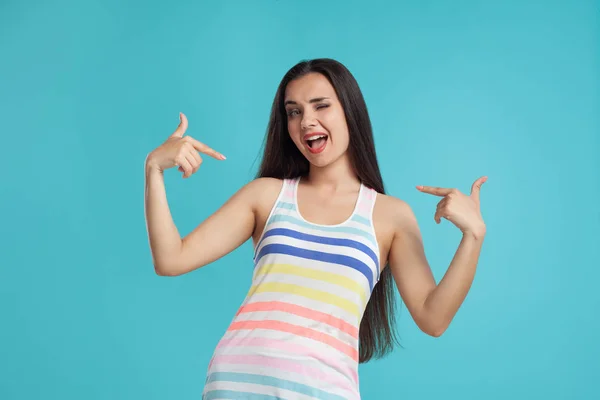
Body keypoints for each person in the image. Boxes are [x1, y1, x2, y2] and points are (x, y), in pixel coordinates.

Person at [144, 58, 487, 399]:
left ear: (350, 112)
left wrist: (473, 237)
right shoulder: (266, 195)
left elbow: (433, 318)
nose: (307, 121)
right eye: (294, 112)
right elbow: (171, 259)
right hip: (235, 383)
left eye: (321, 106)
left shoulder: (390, 216)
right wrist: (154, 170)